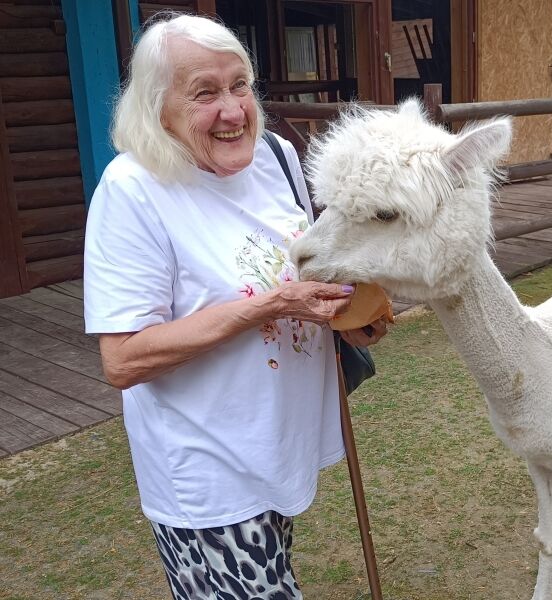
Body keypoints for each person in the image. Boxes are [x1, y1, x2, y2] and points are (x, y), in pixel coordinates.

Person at [82, 14, 388, 599]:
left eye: (239, 85)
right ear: (156, 108)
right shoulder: (133, 191)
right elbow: (122, 361)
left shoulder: (276, 157)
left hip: (274, 444)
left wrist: (352, 320)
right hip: (207, 471)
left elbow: (305, 279)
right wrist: (270, 306)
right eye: (204, 93)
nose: (232, 110)